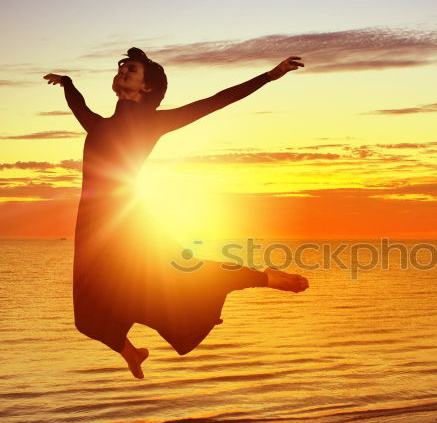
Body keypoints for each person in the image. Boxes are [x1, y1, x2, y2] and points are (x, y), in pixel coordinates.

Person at [44, 48, 307, 379]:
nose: (124, 70)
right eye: (123, 66)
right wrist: (67, 81)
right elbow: (76, 103)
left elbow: (217, 100)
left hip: (125, 219)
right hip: (92, 225)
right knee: (87, 318)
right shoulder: (96, 125)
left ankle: (265, 278)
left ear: (147, 88)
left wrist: (270, 76)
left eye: (133, 69)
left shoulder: (155, 122)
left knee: (179, 277)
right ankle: (133, 352)